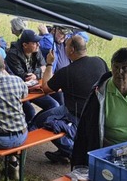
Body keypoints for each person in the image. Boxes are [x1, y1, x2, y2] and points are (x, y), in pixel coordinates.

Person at [71, 47, 127, 169]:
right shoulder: (100, 93)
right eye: (116, 67)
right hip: (106, 153)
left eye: (124, 68)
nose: (119, 72)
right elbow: (87, 130)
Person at [35, 33, 109, 164]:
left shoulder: (67, 72)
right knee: (54, 109)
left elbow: (46, 88)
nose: (64, 48)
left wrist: (49, 64)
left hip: (74, 114)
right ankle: (63, 153)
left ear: (71, 50)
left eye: (66, 46)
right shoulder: (100, 61)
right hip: (98, 111)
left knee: (43, 120)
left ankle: (71, 151)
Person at [6, 29, 59, 125]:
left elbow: (44, 67)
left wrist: (35, 74)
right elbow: (24, 77)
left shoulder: (35, 50)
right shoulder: (13, 54)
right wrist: (39, 72)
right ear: (25, 45)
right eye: (35, 43)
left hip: (36, 87)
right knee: (49, 106)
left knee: (58, 98)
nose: (38, 44)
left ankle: (38, 125)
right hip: (22, 90)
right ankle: (34, 126)